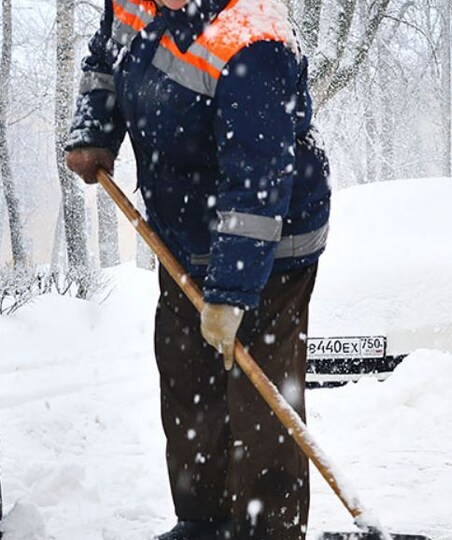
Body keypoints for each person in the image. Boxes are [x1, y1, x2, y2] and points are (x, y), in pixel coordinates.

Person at [64, 0, 330, 538]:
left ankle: (267, 528)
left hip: (271, 246)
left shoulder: (255, 40)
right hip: (184, 238)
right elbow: (105, 56)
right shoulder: (135, 3)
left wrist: (232, 295)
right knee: (188, 382)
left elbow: (257, 180)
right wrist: (95, 126)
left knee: (259, 402)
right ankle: (203, 523)